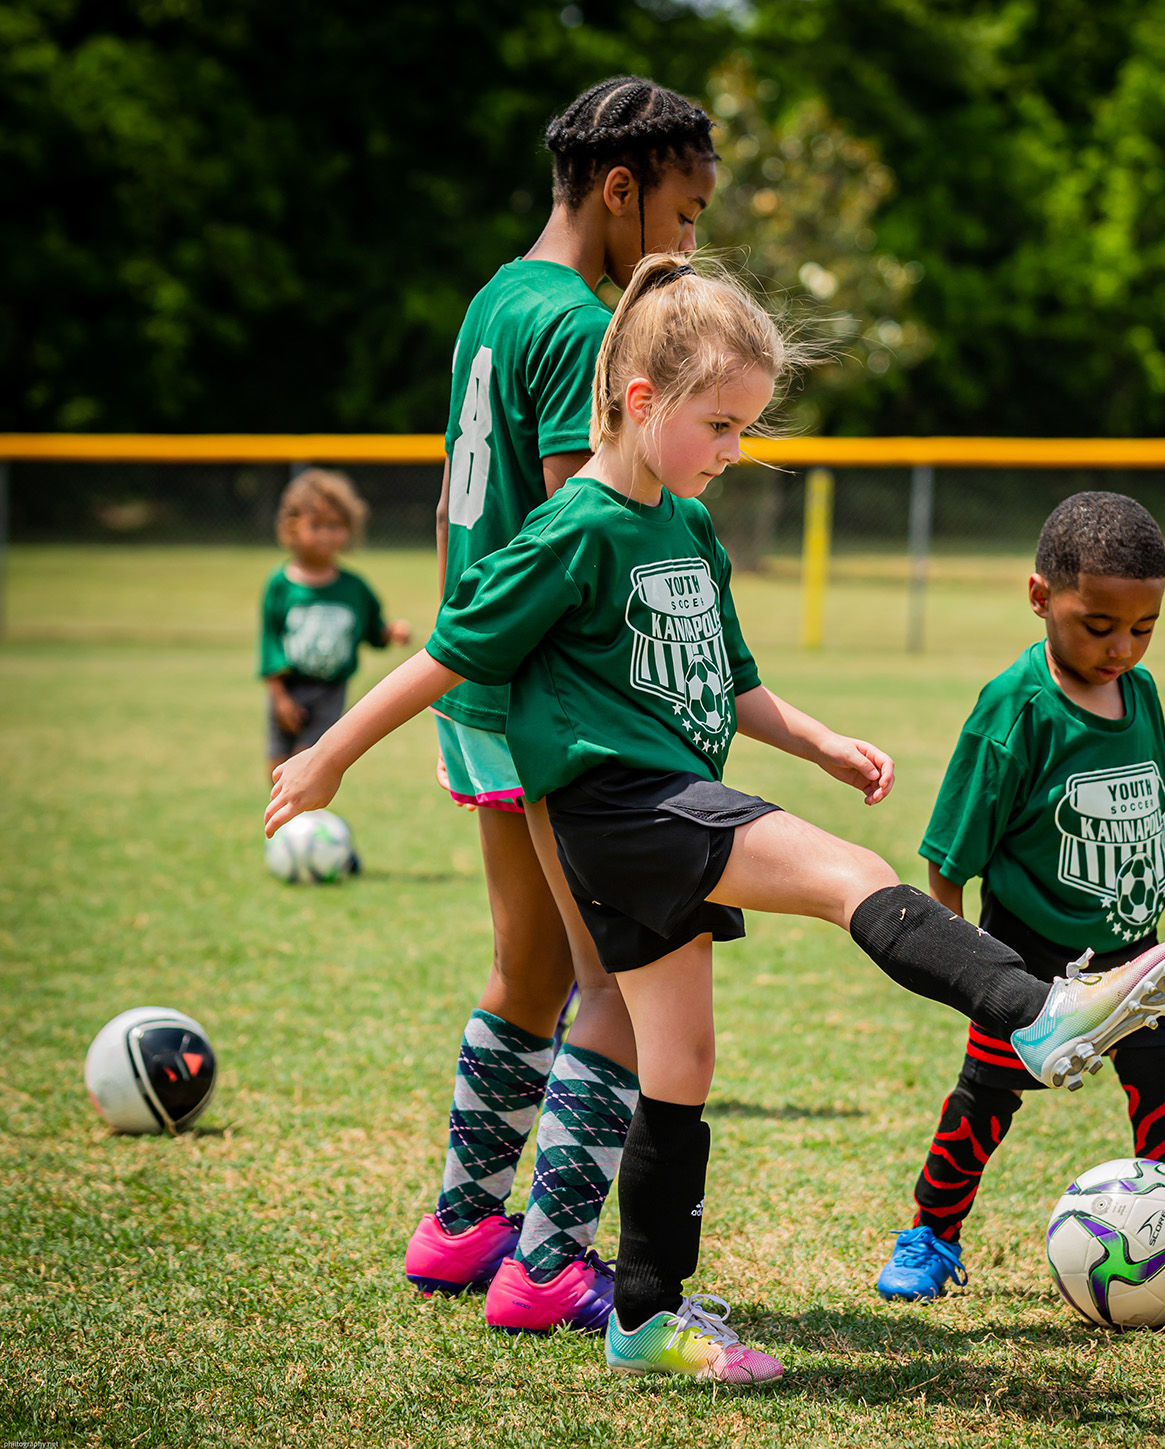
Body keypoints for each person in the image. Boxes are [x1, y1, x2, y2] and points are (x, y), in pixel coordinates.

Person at [267, 258, 1165, 1385]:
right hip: (621, 808)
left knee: (683, 1061)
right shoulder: (571, 531)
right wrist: (324, 757)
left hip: (654, 812)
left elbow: (731, 685)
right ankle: (1037, 1010)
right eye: (721, 425)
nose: (734, 452)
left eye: (749, 428)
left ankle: (644, 1321)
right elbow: (445, 655)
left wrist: (819, 742)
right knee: (843, 870)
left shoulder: (692, 533)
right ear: (642, 401)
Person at [403, 77, 725, 1338]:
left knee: (526, 967)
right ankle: (547, 1266)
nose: (688, 249)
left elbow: (450, 510)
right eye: (685, 218)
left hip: (479, 677)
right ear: (621, 190)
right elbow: (584, 522)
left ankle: (465, 1226)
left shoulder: (494, 297)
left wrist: (462, 665)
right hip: (552, 700)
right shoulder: (583, 325)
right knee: (611, 983)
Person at [874, 492, 1165, 1304]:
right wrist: (968, 969)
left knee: (1164, 1093)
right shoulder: (1017, 708)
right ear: (1039, 598)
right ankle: (929, 1234)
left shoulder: (1141, 693)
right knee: (985, 1101)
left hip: (1134, 953)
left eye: (1144, 627)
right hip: (1029, 958)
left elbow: (1158, 782)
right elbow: (949, 851)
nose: (1122, 647)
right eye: (1099, 626)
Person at [260, 468, 410, 782]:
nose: (327, 534)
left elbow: (372, 630)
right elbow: (270, 642)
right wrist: (280, 698)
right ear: (291, 527)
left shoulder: (354, 587)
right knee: (276, 765)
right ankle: (281, 829)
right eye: (316, 525)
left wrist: (390, 632)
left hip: (331, 691)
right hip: (289, 687)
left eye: (336, 526)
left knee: (306, 763)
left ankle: (305, 827)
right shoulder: (280, 584)